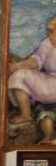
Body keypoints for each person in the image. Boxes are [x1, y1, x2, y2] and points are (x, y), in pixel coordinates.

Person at [7, 14, 56, 142]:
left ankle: (28, 116)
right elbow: (37, 61)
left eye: (52, 31)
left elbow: (37, 62)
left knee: (19, 75)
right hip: (49, 85)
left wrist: (15, 66)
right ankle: (26, 114)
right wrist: (17, 65)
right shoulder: (47, 43)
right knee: (20, 74)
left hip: (51, 87)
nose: (50, 36)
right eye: (49, 32)